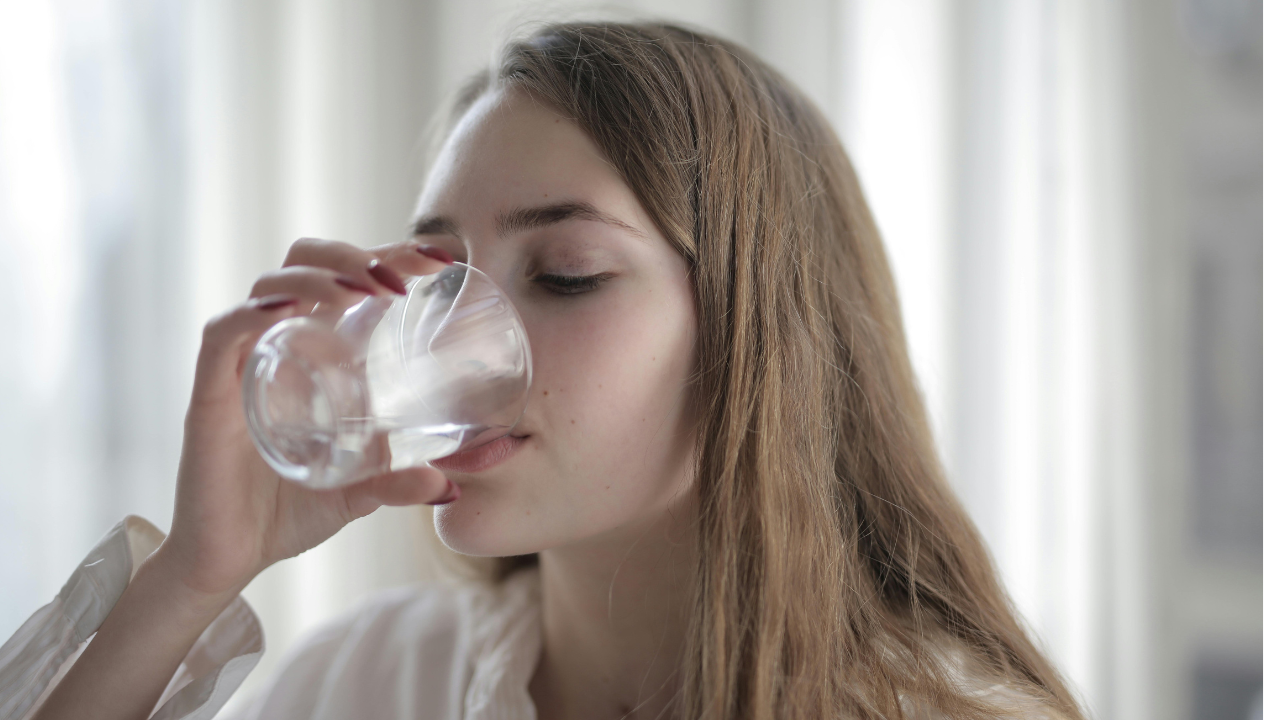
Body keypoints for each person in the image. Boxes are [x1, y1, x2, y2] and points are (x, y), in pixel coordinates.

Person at [1, 21, 1084, 720]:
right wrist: (193, 575)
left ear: (759, 335)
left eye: (563, 274)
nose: (450, 343)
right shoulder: (380, 682)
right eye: (438, 278)